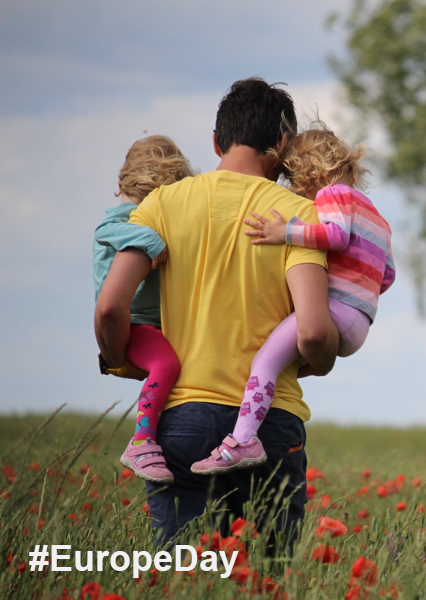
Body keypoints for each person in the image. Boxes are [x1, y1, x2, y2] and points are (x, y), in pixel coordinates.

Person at [95, 78, 339, 546]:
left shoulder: (160, 205)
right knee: (267, 574)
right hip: (270, 425)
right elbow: (312, 332)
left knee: (186, 574)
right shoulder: (298, 217)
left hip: (181, 420)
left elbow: (110, 306)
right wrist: (321, 360)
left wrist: (121, 359)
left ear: (215, 142)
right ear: (283, 144)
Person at [191, 123, 395, 474]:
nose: (297, 191)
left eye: (296, 180)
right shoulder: (377, 217)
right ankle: (253, 421)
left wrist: (285, 232)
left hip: (335, 310)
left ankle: (242, 440)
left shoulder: (333, 194)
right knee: (282, 364)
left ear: (312, 172)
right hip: (360, 321)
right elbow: (387, 276)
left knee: (264, 362)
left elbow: (335, 236)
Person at [93, 135, 194, 484]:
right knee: (166, 365)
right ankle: (141, 441)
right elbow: (106, 230)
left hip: (151, 323)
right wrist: (151, 240)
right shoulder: (124, 218)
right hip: (134, 323)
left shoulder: (139, 214)